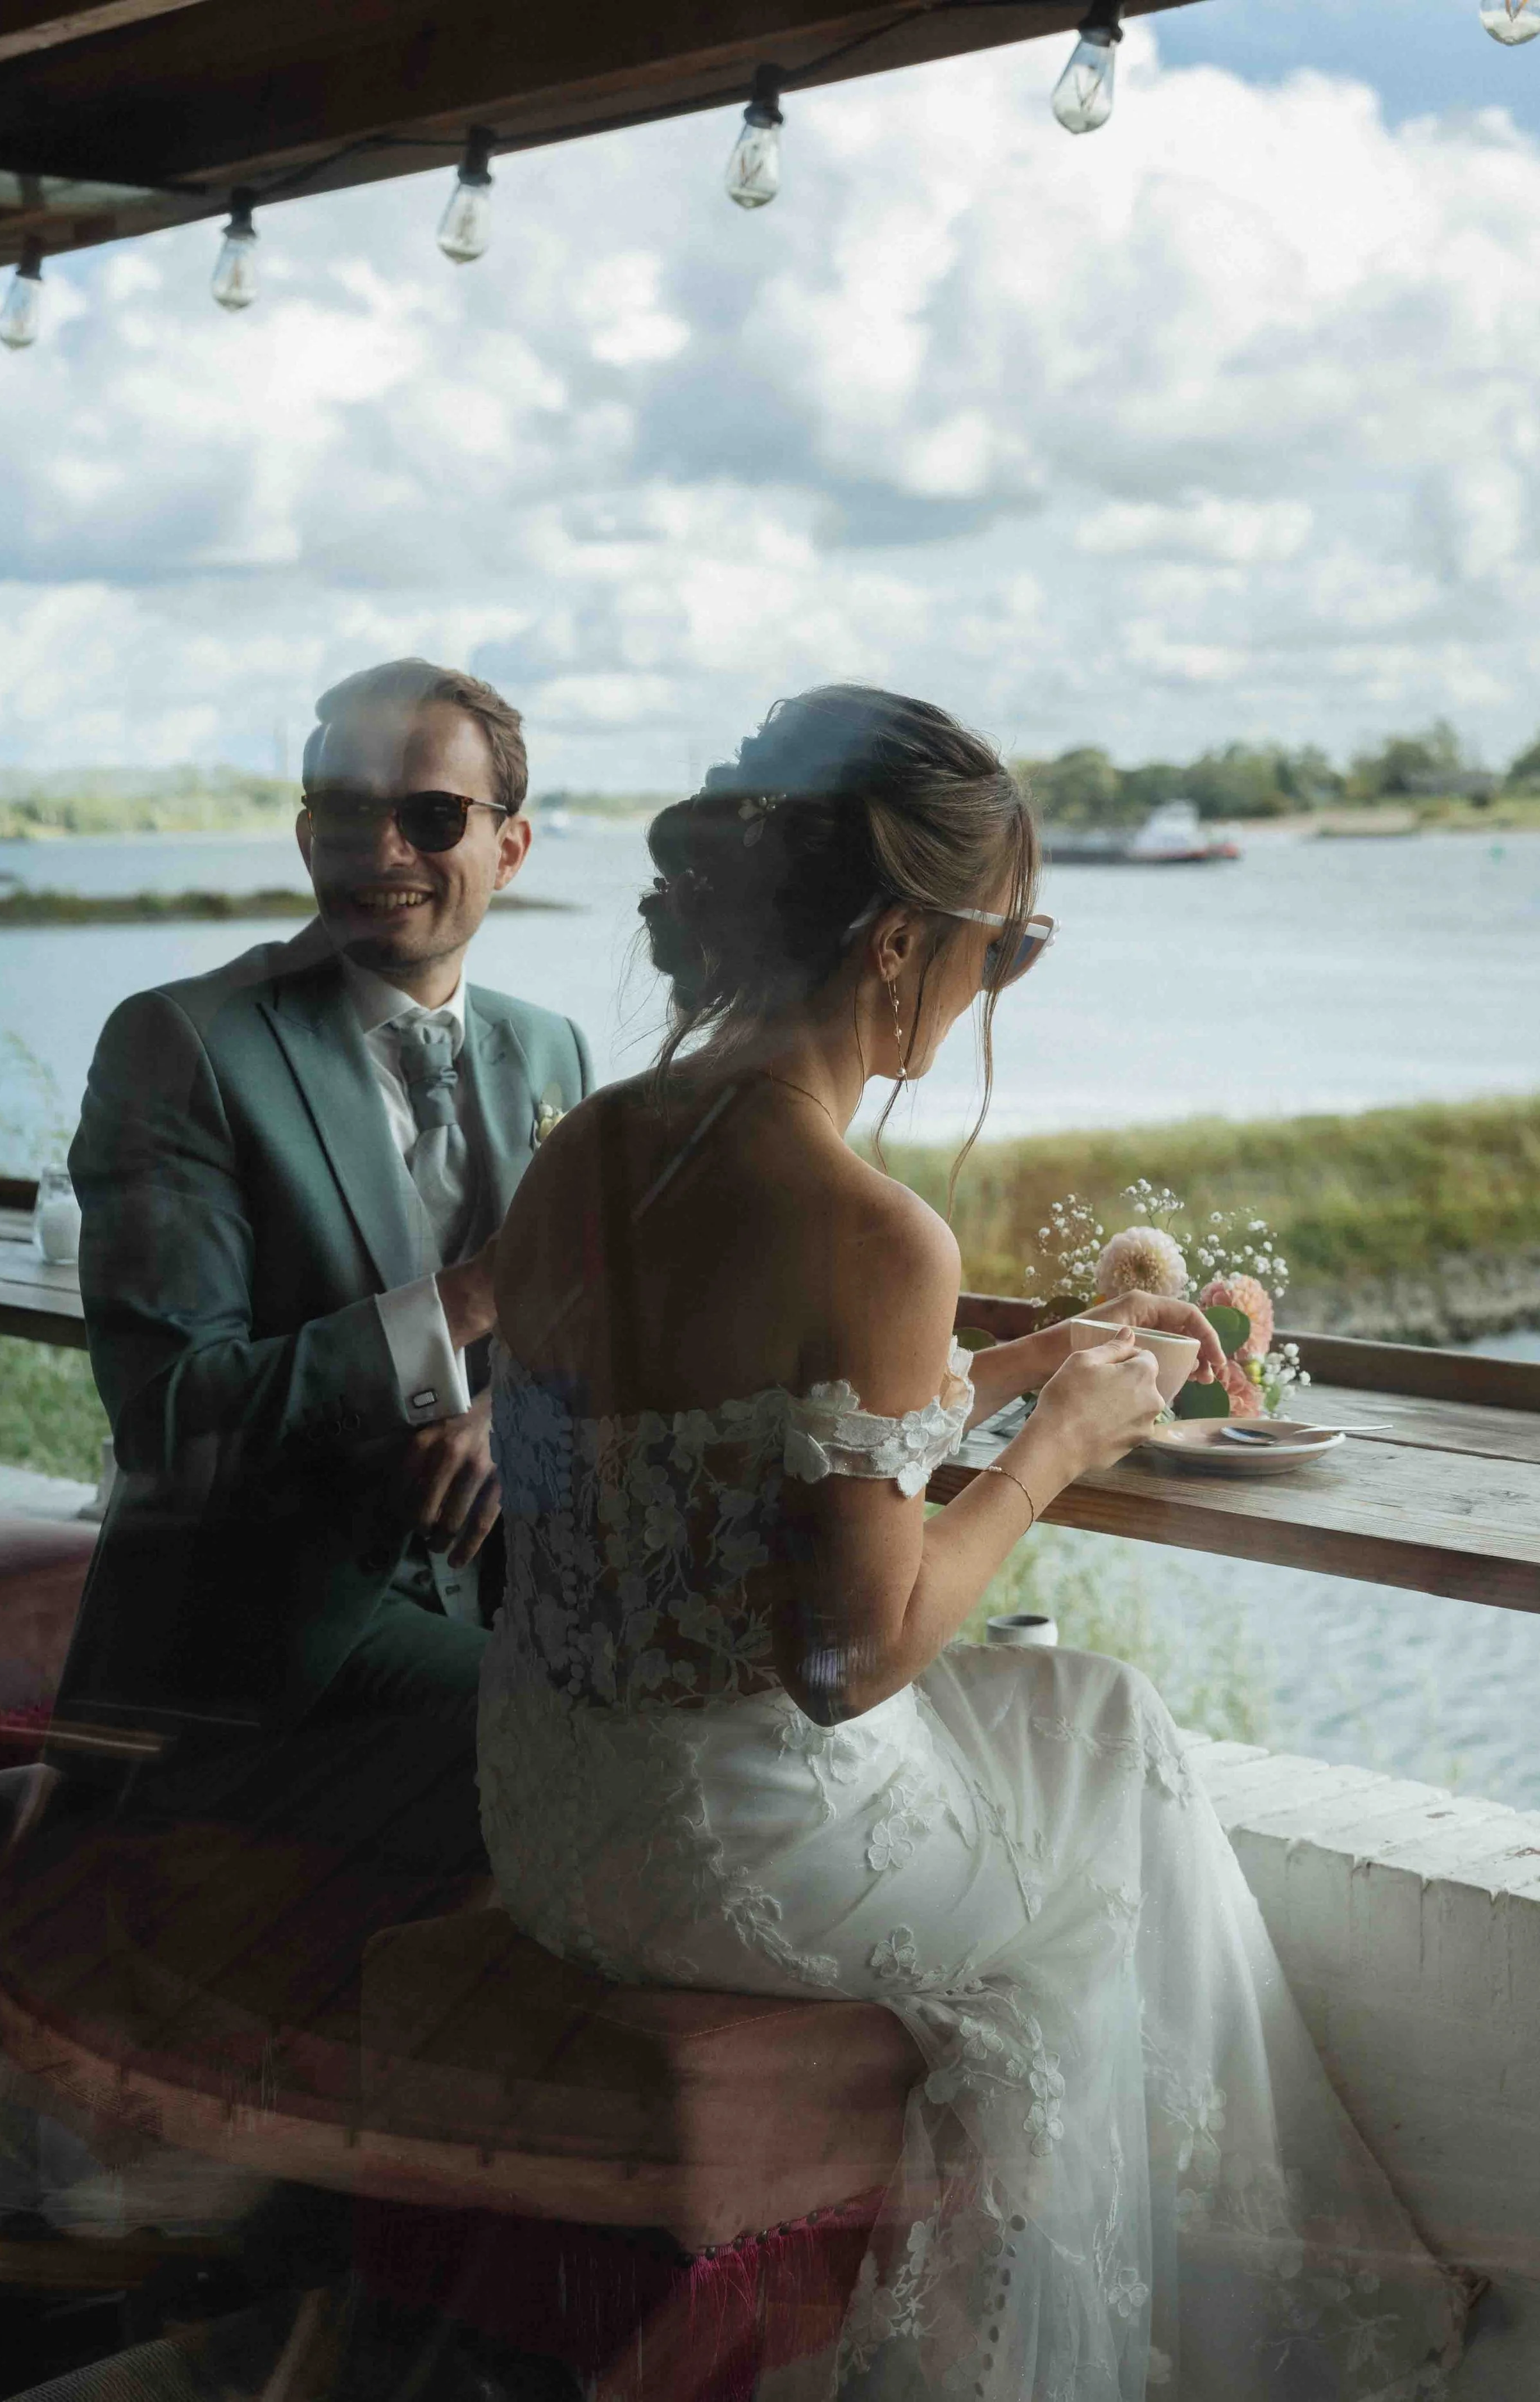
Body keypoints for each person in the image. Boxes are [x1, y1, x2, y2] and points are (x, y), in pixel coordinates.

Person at [482, 686, 1468, 2398]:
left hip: (545, 1792)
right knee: (1092, 1877)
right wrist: (1059, 1443)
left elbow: (699, 1446)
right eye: (998, 949)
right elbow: (842, 1659)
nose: (992, 984)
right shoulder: (870, 1222)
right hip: (715, 1844)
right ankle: (1111, 2336)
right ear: (892, 944)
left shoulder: (584, 1146)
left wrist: (996, 1376)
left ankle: (1228, 2306)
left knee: (1090, 1722)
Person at [54, 657, 590, 1788]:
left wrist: (511, 1406)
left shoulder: (553, 1051)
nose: (384, 848)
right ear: (308, 839)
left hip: (511, 1595)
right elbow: (169, 1418)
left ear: (512, 846)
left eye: (432, 815)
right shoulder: (178, 1044)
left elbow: (597, 1315)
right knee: (607, 1752)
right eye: (348, 813)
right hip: (259, 1648)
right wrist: (470, 1297)